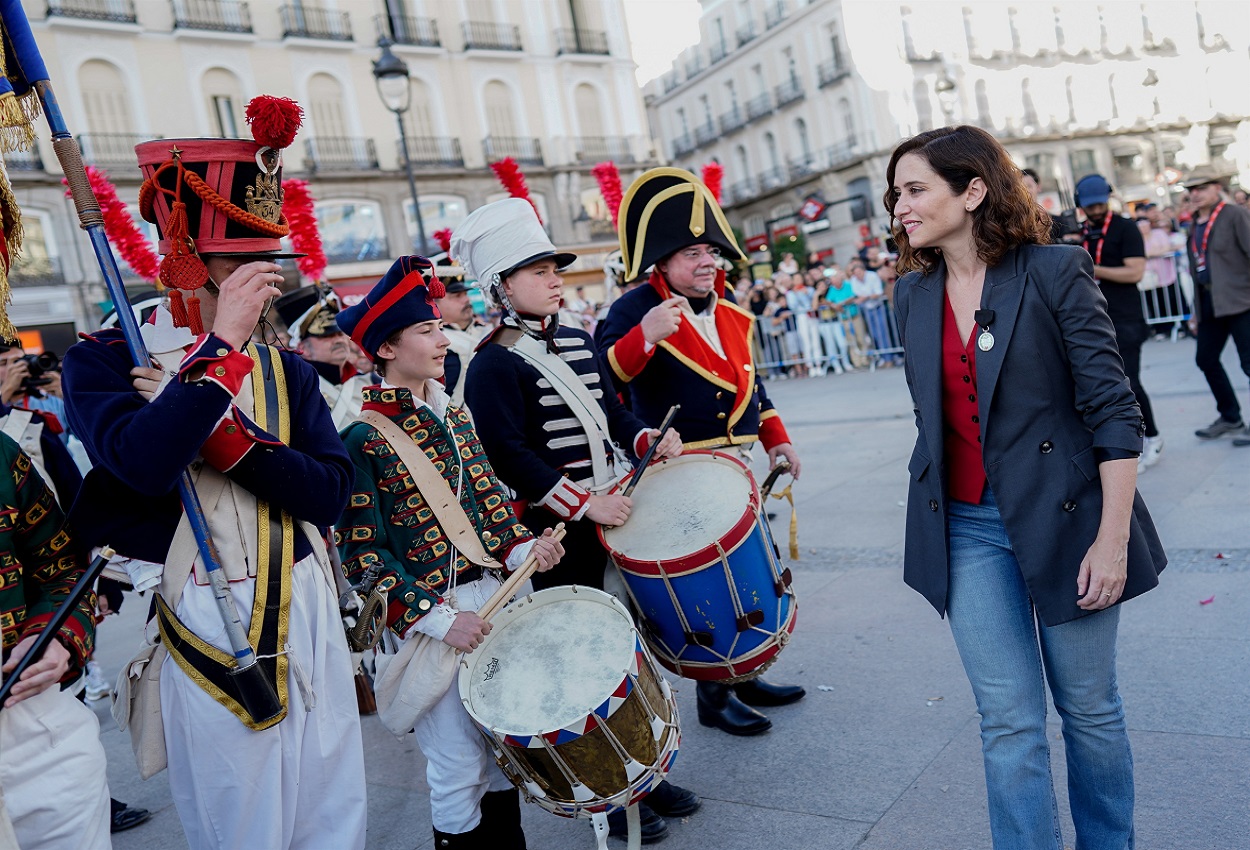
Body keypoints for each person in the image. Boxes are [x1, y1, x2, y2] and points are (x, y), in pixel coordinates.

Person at [61, 107, 367, 850]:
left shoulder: (287, 368)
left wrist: (226, 438)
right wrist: (220, 344)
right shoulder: (101, 359)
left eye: (268, 263)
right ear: (187, 258)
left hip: (310, 600)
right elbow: (142, 463)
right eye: (242, 264)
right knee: (245, 821)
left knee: (333, 814)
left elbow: (329, 493)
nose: (265, 281)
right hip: (206, 610)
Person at [888, 125, 1166, 850]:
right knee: (1008, 720)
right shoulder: (911, 298)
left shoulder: (1053, 270)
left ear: (972, 190)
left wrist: (1112, 543)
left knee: (1089, 707)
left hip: (1069, 521)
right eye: (896, 195)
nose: (900, 209)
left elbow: (1113, 410)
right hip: (968, 530)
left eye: (915, 190)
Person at [453, 199, 696, 844]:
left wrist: (644, 437)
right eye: (537, 271)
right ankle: (611, 801)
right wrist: (585, 506)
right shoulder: (492, 363)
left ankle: (648, 773)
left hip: (614, 510)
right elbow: (508, 456)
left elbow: (610, 414)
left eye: (554, 267)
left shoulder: (577, 338)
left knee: (632, 650)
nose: (556, 278)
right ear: (500, 287)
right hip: (560, 534)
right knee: (587, 667)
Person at [334, 255, 564, 850]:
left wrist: (522, 552)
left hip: (495, 597)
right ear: (386, 349)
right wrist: (439, 620)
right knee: (458, 767)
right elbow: (365, 560)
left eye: (440, 325)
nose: (443, 338)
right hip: (433, 620)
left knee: (506, 745)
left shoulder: (453, 412)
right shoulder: (361, 438)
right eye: (427, 329)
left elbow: (491, 506)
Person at [597, 168, 805, 738]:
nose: (707, 261)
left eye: (710, 250)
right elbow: (605, 387)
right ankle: (714, 695)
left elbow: (750, 385)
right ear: (661, 263)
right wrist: (644, 337)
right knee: (707, 586)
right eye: (691, 253)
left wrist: (776, 437)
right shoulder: (634, 307)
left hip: (735, 466)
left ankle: (746, 672)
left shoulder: (732, 303)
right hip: (681, 468)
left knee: (749, 573)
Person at [1075, 174, 1163, 471]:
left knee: (1130, 383)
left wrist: (1089, 265)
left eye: (1100, 204)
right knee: (1099, 387)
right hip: (1091, 319)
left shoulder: (1125, 228)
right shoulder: (1081, 232)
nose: (1096, 211)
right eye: (1090, 206)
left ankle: (1151, 437)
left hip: (1125, 318)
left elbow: (1134, 272)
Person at [1183, 166, 1250, 447]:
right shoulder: (1193, 225)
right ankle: (1230, 416)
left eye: (1201, 188)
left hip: (1241, 300)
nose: (1195, 194)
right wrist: (1196, 312)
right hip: (1210, 302)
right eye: (1191, 190)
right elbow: (1197, 269)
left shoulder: (1235, 214)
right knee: (1206, 359)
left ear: (1217, 187)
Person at [273, 284, 369, 430]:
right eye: (327, 335)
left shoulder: (369, 382)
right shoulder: (292, 390)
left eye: (339, 333)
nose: (338, 339)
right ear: (303, 348)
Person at [437, 275, 489, 408]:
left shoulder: (488, 331)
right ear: (435, 302)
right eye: (457, 296)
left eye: (465, 294)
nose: (466, 299)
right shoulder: (432, 342)